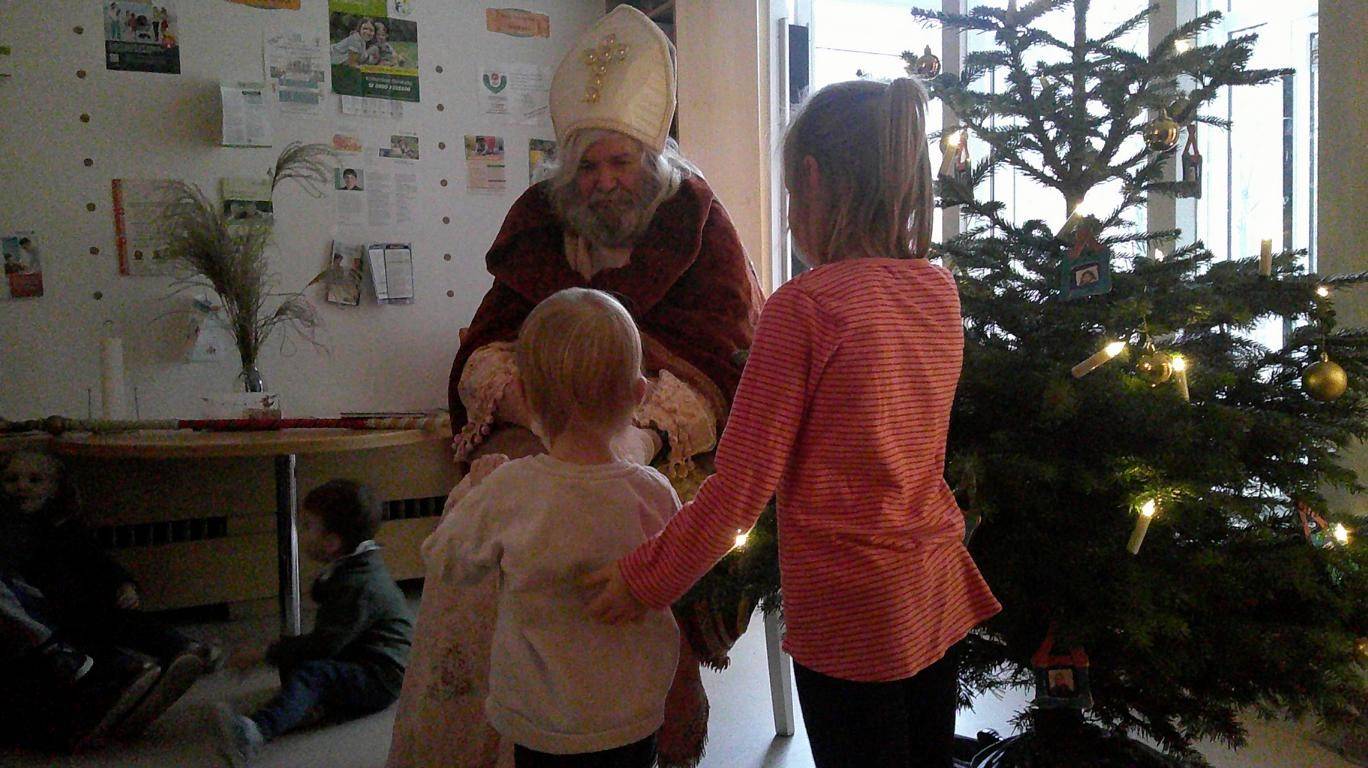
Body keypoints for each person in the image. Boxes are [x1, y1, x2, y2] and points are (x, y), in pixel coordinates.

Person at [584, 78, 1003, 768]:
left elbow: (736, 492)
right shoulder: (937, 289)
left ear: (811, 182)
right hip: (934, 587)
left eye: (788, 195)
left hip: (849, 613)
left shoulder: (804, 309)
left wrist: (642, 581)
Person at [387, 7, 762, 768]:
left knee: (618, 528)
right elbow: (487, 344)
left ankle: (633, 721)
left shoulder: (698, 222)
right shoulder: (539, 222)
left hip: (660, 448)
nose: (603, 181)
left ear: (650, 160)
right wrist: (544, 416)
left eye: (619, 162)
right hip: (544, 425)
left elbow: (722, 361)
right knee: (501, 508)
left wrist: (625, 433)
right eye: (587, 167)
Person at [423, 288, 680, 768]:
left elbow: (446, 562)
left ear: (522, 395)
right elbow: (679, 573)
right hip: (634, 712)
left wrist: (472, 494)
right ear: (639, 395)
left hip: (542, 719)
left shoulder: (508, 489)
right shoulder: (654, 492)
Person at [0, 451, 216, 749]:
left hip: (79, 606)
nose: (21, 486)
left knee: (122, 616)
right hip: (58, 616)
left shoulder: (64, 526)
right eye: (11, 480)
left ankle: (179, 651)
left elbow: (98, 560)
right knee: (99, 632)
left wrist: (123, 583)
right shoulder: (8, 529)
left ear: (55, 488)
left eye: (34, 480)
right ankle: (120, 682)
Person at [214, 479, 413, 767]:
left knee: (312, 673)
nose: (300, 532)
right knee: (295, 660)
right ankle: (310, 706)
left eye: (307, 526)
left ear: (332, 543)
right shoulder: (355, 561)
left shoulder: (358, 584)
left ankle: (254, 731)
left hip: (379, 676)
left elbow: (325, 644)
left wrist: (264, 652)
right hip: (361, 653)